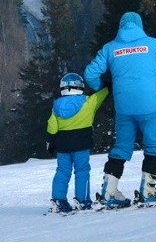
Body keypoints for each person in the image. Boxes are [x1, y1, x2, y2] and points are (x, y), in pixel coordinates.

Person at [85, 11, 156, 208]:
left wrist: (102, 87)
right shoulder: (153, 45)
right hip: (150, 106)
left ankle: (109, 191)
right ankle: (148, 191)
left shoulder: (110, 48)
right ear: (140, 26)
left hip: (124, 108)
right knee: (154, 146)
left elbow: (90, 73)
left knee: (121, 147)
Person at [46, 72, 110, 213]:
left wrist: (50, 141)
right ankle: (83, 200)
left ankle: (58, 200)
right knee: (82, 171)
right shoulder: (88, 102)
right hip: (81, 144)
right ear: (80, 87)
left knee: (62, 172)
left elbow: (52, 125)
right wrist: (108, 85)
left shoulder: (56, 105)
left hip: (63, 146)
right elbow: (101, 95)